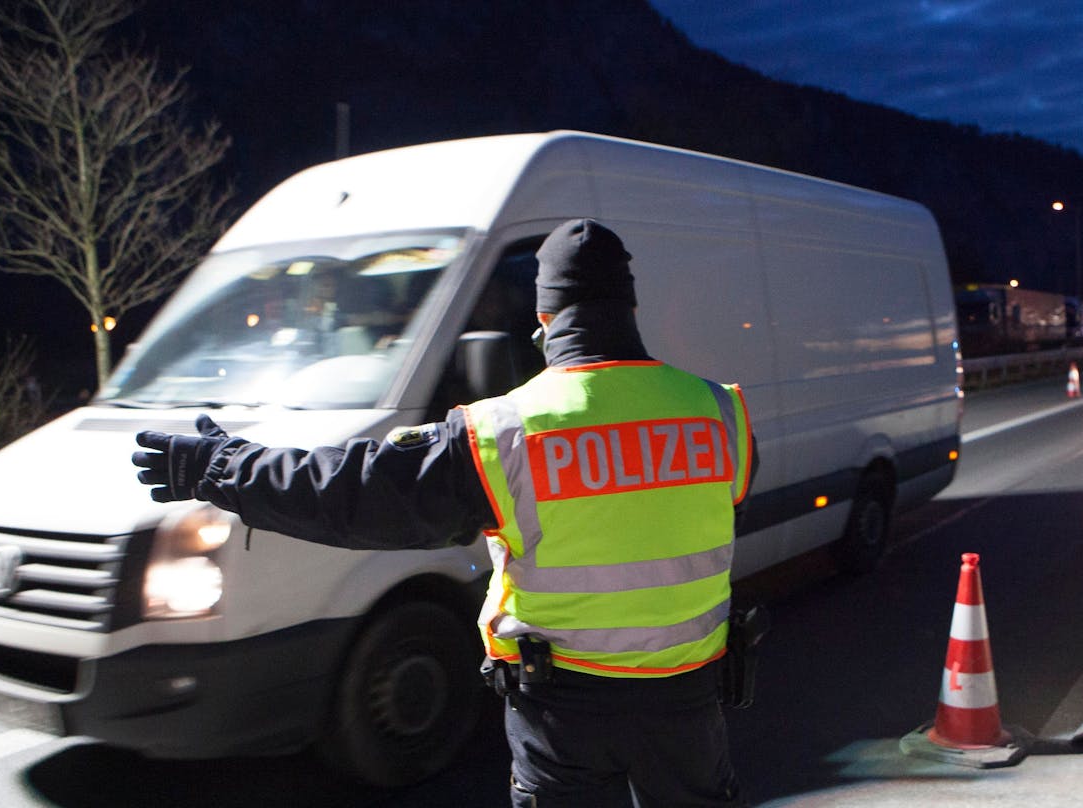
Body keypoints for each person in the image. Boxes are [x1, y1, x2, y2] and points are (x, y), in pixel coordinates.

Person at [132, 218, 755, 807]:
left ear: (544, 318)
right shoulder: (720, 413)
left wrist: (224, 467)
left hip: (565, 713)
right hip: (688, 705)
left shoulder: (503, 431)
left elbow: (353, 493)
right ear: (630, 308)